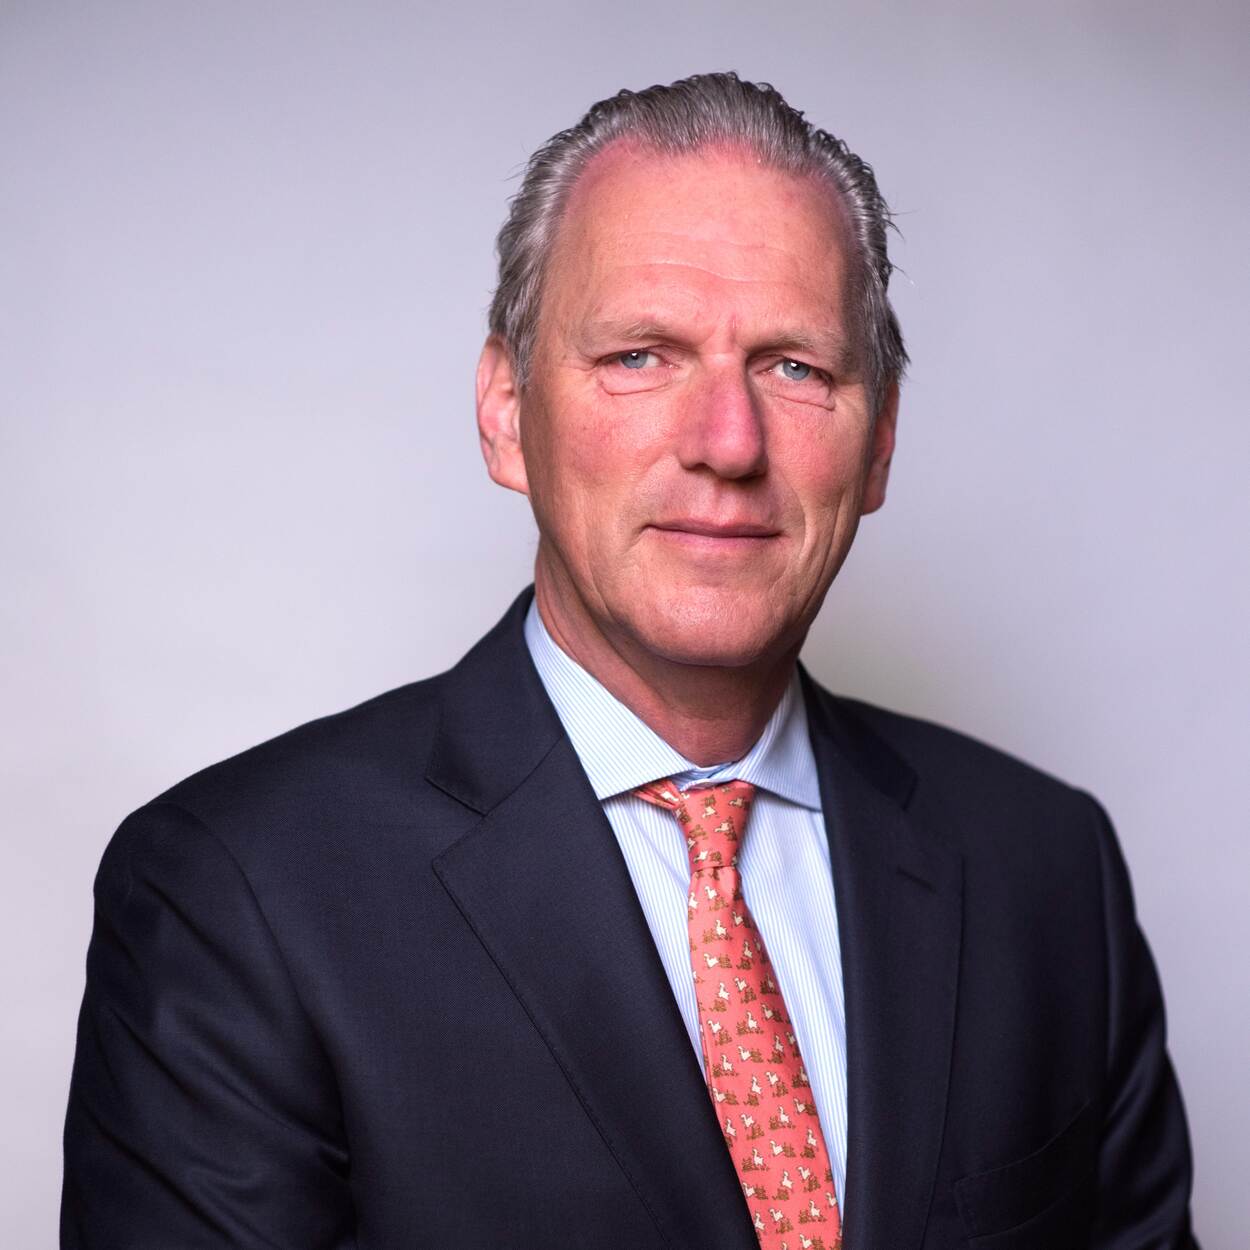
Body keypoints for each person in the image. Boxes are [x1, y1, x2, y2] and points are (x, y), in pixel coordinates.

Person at [61, 72, 1198, 1249]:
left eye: (794, 366)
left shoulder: (1043, 871)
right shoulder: (237, 893)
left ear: (879, 442)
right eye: (641, 355)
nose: (726, 443)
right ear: (506, 410)